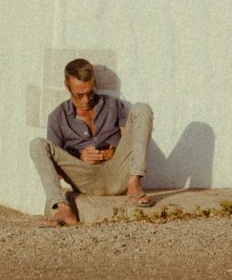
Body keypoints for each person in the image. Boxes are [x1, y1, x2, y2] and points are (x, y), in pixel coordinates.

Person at [30, 58, 153, 225]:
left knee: (142, 109)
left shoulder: (113, 105)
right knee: (37, 144)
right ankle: (64, 210)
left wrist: (115, 150)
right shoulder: (57, 117)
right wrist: (79, 157)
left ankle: (135, 184)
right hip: (86, 180)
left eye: (90, 92)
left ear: (94, 83)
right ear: (67, 87)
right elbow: (56, 171)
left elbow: (130, 139)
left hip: (119, 174)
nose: (86, 100)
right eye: (79, 95)